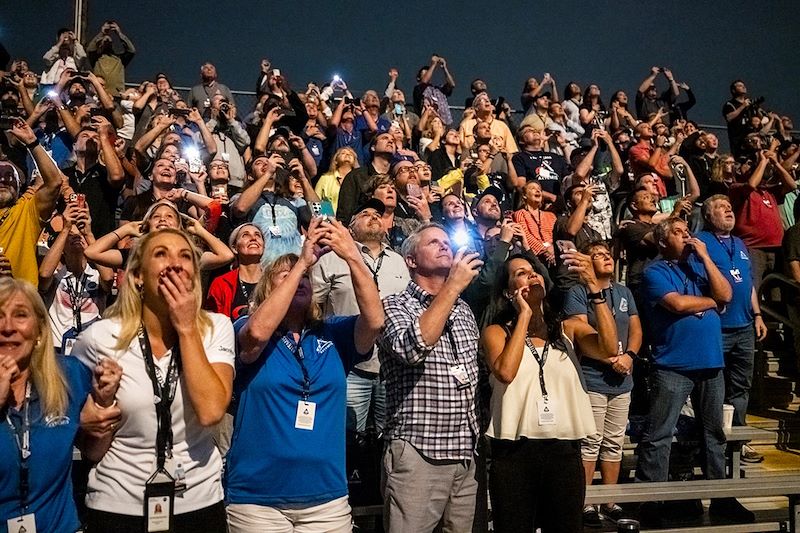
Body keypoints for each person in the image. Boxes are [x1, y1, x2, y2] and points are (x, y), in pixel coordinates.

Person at [226, 217, 384, 532]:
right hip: (257, 500)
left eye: (306, 277)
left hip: (326, 499)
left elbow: (375, 321)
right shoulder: (244, 327)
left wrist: (351, 254)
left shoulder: (333, 333)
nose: (299, 280)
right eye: (284, 276)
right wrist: (301, 263)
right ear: (268, 288)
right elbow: (256, 333)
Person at [73, 229, 236, 531]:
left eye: (185, 256)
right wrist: (98, 411)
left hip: (198, 500)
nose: (175, 264)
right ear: (137, 276)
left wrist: (187, 328)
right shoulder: (99, 337)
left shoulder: (216, 327)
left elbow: (211, 411)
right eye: (161, 254)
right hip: (118, 503)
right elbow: (92, 450)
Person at [481, 250, 620, 532]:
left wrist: (595, 290)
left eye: (533, 270)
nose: (531, 274)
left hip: (564, 452)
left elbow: (608, 347)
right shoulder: (497, 332)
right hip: (514, 454)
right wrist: (524, 315)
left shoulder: (568, 329)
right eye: (520, 273)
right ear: (508, 292)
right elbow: (506, 371)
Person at [635, 218, 754, 524]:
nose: (687, 237)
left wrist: (705, 257)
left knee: (714, 434)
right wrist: (712, 301)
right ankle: (652, 501)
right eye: (678, 233)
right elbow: (676, 304)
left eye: (688, 232)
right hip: (673, 365)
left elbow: (726, 294)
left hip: (711, 363)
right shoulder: (655, 271)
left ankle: (721, 499)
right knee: (659, 435)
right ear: (662, 242)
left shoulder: (700, 268)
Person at [378, 224, 483, 533]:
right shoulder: (394, 305)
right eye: (433, 242)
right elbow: (412, 349)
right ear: (411, 260)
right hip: (419, 451)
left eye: (446, 242)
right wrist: (452, 287)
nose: (444, 246)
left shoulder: (464, 310)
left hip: (465, 451)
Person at [0, 277, 120, 533]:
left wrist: (103, 401)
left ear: (40, 332)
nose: (7, 327)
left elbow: (93, 451)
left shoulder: (69, 375)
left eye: (20, 315)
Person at [311, 199, 410, 438]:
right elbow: (313, 308)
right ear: (350, 228)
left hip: (392, 368)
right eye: (364, 213)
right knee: (345, 437)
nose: (373, 216)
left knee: (388, 439)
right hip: (349, 367)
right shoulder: (331, 258)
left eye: (377, 213)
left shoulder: (400, 261)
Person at [563, 242, 641, 527]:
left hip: (623, 380)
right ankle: (585, 502)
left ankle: (609, 500)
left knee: (614, 443)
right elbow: (582, 334)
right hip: (593, 378)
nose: (605, 257)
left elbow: (636, 328)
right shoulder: (577, 293)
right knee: (590, 443)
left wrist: (630, 356)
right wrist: (613, 359)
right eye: (597, 255)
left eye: (607, 254)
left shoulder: (623, 291)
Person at [697, 195, 768, 462]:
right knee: (714, 388)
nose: (728, 209)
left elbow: (747, 282)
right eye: (720, 207)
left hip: (745, 326)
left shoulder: (739, 243)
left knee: (741, 387)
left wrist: (758, 314)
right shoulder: (701, 242)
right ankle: (713, 443)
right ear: (708, 215)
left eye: (729, 206)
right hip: (717, 328)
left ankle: (738, 440)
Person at [0, 121, 63, 287]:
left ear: (20, 187)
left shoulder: (26, 210)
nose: (3, 179)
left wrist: (32, 143)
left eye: (9, 177)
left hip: (20, 304)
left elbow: (54, 182)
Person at [205, 223, 264, 321]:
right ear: (234, 248)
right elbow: (215, 324)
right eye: (245, 235)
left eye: (258, 235)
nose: (253, 238)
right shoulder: (221, 284)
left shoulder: (274, 281)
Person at [514, 181, 557, 267]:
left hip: (555, 255)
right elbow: (525, 235)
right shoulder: (520, 214)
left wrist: (554, 249)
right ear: (524, 195)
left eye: (539, 189)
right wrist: (544, 251)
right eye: (533, 188)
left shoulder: (551, 216)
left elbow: (557, 236)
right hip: (535, 257)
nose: (538, 191)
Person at [314, 147, 359, 215]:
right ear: (336, 160)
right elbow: (316, 200)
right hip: (329, 220)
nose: (347, 155)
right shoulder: (325, 178)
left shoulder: (359, 180)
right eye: (343, 153)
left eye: (351, 154)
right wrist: (330, 218)